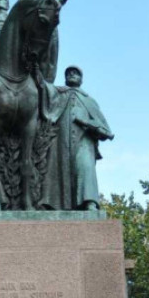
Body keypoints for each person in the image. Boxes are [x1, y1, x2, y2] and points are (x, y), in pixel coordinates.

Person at [38, 65, 113, 211]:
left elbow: (106, 132)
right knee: (55, 169)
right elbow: (42, 86)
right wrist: (36, 69)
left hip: (83, 142)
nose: (72, 74)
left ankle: (89, 202)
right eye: (69, 73)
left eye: (76, 73)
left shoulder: (89, 101)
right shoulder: (58, 94)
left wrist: (85, 121)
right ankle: (50, 204)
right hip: (59, 142)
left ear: (81, 79)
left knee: (84, 169)